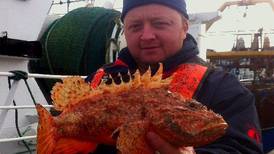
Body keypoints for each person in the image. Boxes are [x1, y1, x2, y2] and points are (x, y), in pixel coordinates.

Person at [86, 0, 264, 153]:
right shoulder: (99, 80)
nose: (147, 36)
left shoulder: (226, 90)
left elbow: (243, 149)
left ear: (185, 27)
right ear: (125, 31)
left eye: (160, 24)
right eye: (135, 26)